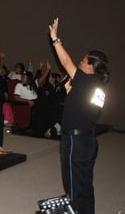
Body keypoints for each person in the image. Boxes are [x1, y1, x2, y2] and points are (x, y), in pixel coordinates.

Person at [49, 18, 109, 214]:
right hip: (86, 140)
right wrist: (70, 93)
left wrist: (55, 39)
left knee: (73, 188)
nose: (80, 62)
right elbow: (83, 109)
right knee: (84, 186)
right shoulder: (97, 86)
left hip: (76, 141)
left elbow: (66, 62)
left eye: (83, 61)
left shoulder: (87, 81)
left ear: (91, 68)